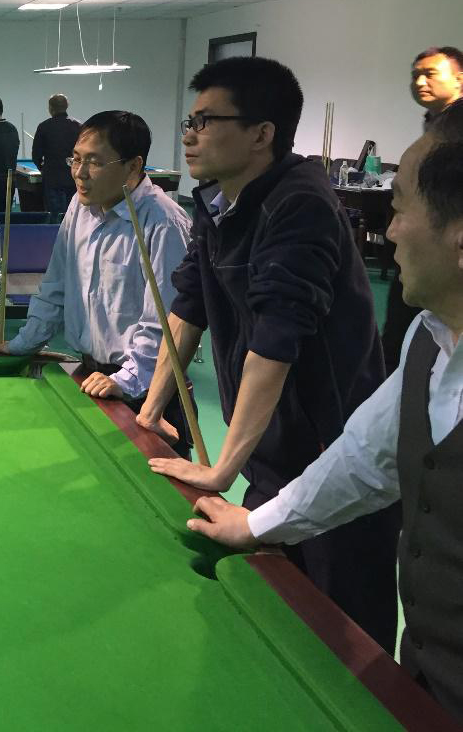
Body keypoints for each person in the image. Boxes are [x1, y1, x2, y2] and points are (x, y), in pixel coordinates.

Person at [186, 104, 463, 721]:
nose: (389, 232)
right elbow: (366, 459)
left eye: (400, 210)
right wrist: (256, 526)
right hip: (429, 677)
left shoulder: (299, 205)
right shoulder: (428, 338)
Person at [137, 56, 399, 652]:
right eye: (189, 121)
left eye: (206, 121)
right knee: (278, 618)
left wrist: (220, 470)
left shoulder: (300, 204)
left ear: (261, 134)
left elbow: (273, 345)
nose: (189, 135)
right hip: (273, 461)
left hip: (335, 465)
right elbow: (188, 309)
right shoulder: (216, 201)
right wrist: (149, 414)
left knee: (344, 646)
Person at [0, 111, 192, 454]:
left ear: (133, 166)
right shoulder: (80, 206)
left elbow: (166, 323)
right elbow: (56, 285)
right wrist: (24, 344)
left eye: (95, 162)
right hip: (92, 377)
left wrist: (126, 380)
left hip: (150, 392)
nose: (80, 173)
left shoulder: (163, 221)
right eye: (76, 159)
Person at [384, 46, 463, 371]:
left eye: (430, 74)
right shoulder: (431, 128)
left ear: (459, 79)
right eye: (415, 75)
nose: (419, 82)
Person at [32, 94, 82, 215]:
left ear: (50, 108)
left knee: (55, 217)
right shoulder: (78, 126)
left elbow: (36, 155)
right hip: (73, 178)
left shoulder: (44, 126)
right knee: (73, 215)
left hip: (52, 179)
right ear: (67, 106)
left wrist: (43, 169)